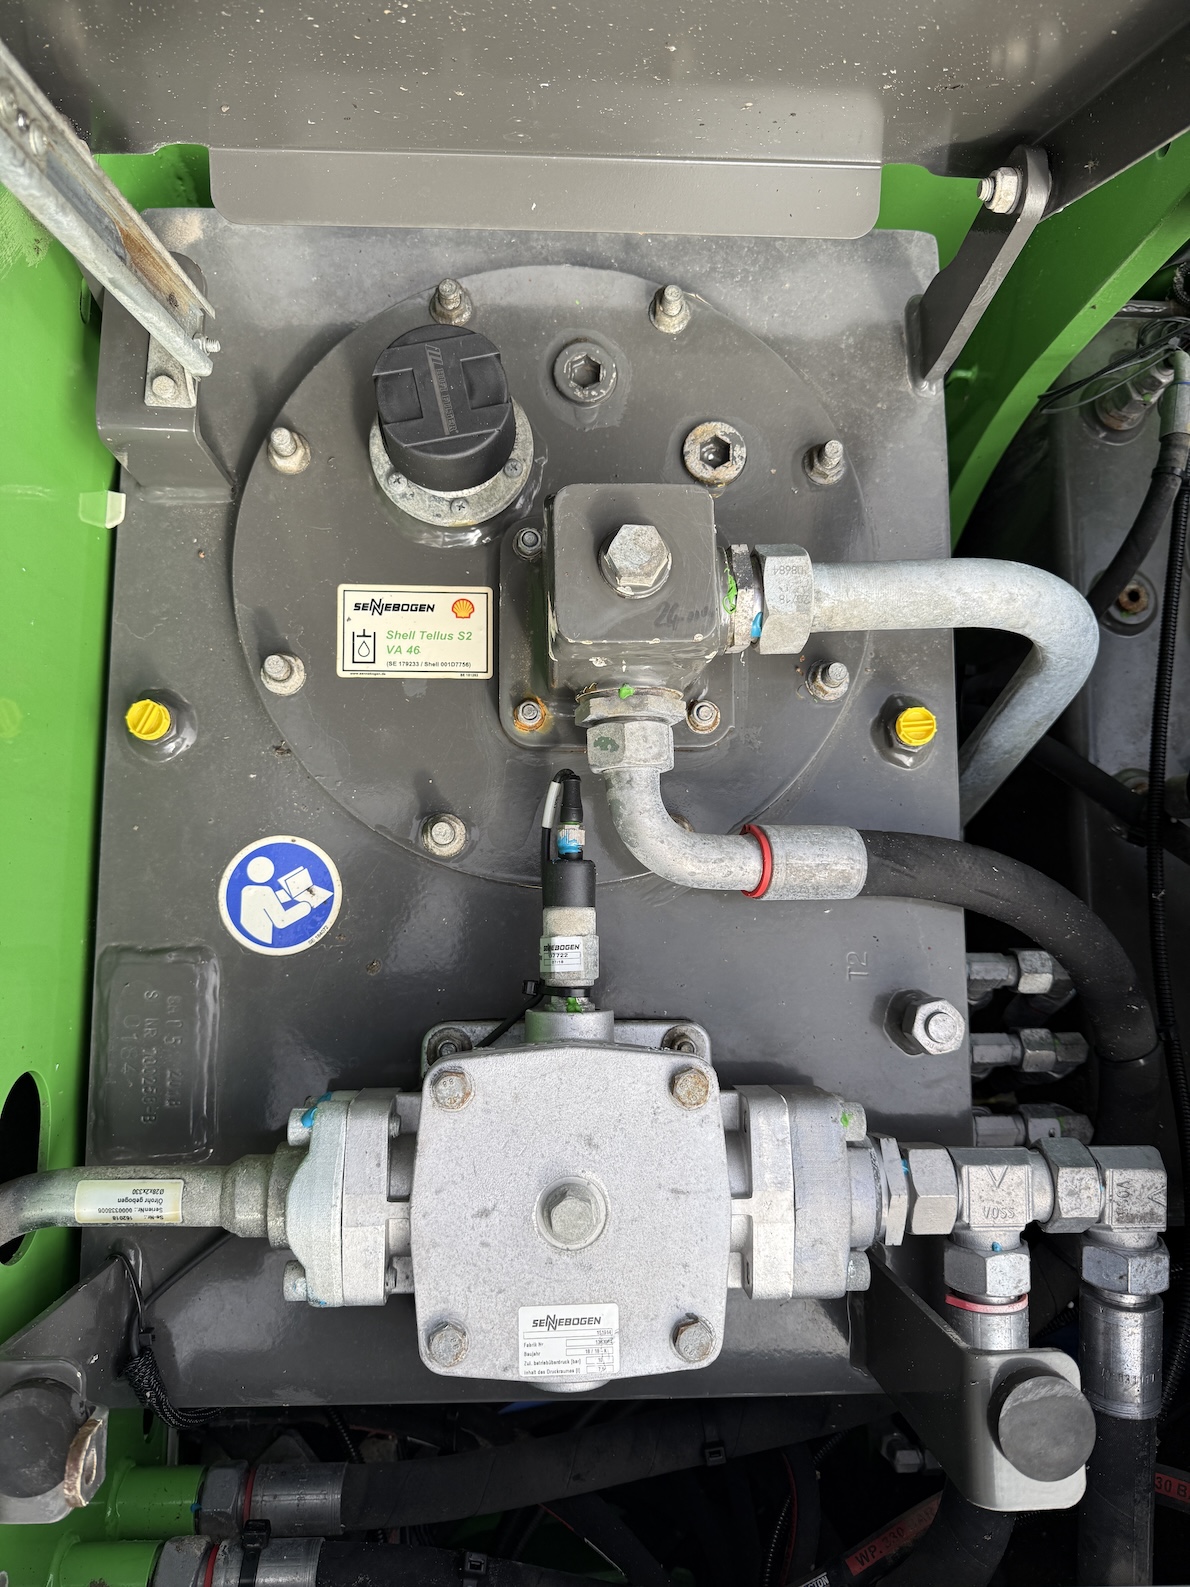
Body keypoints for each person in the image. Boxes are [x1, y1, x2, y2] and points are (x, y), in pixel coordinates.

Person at [237, 854, 311, 945]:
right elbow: (281, 921)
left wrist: (284, 895)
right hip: (265, 939)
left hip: (251, 936)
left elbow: (264, 902)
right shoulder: (265, 892)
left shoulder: (246, 890)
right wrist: (306, 906)